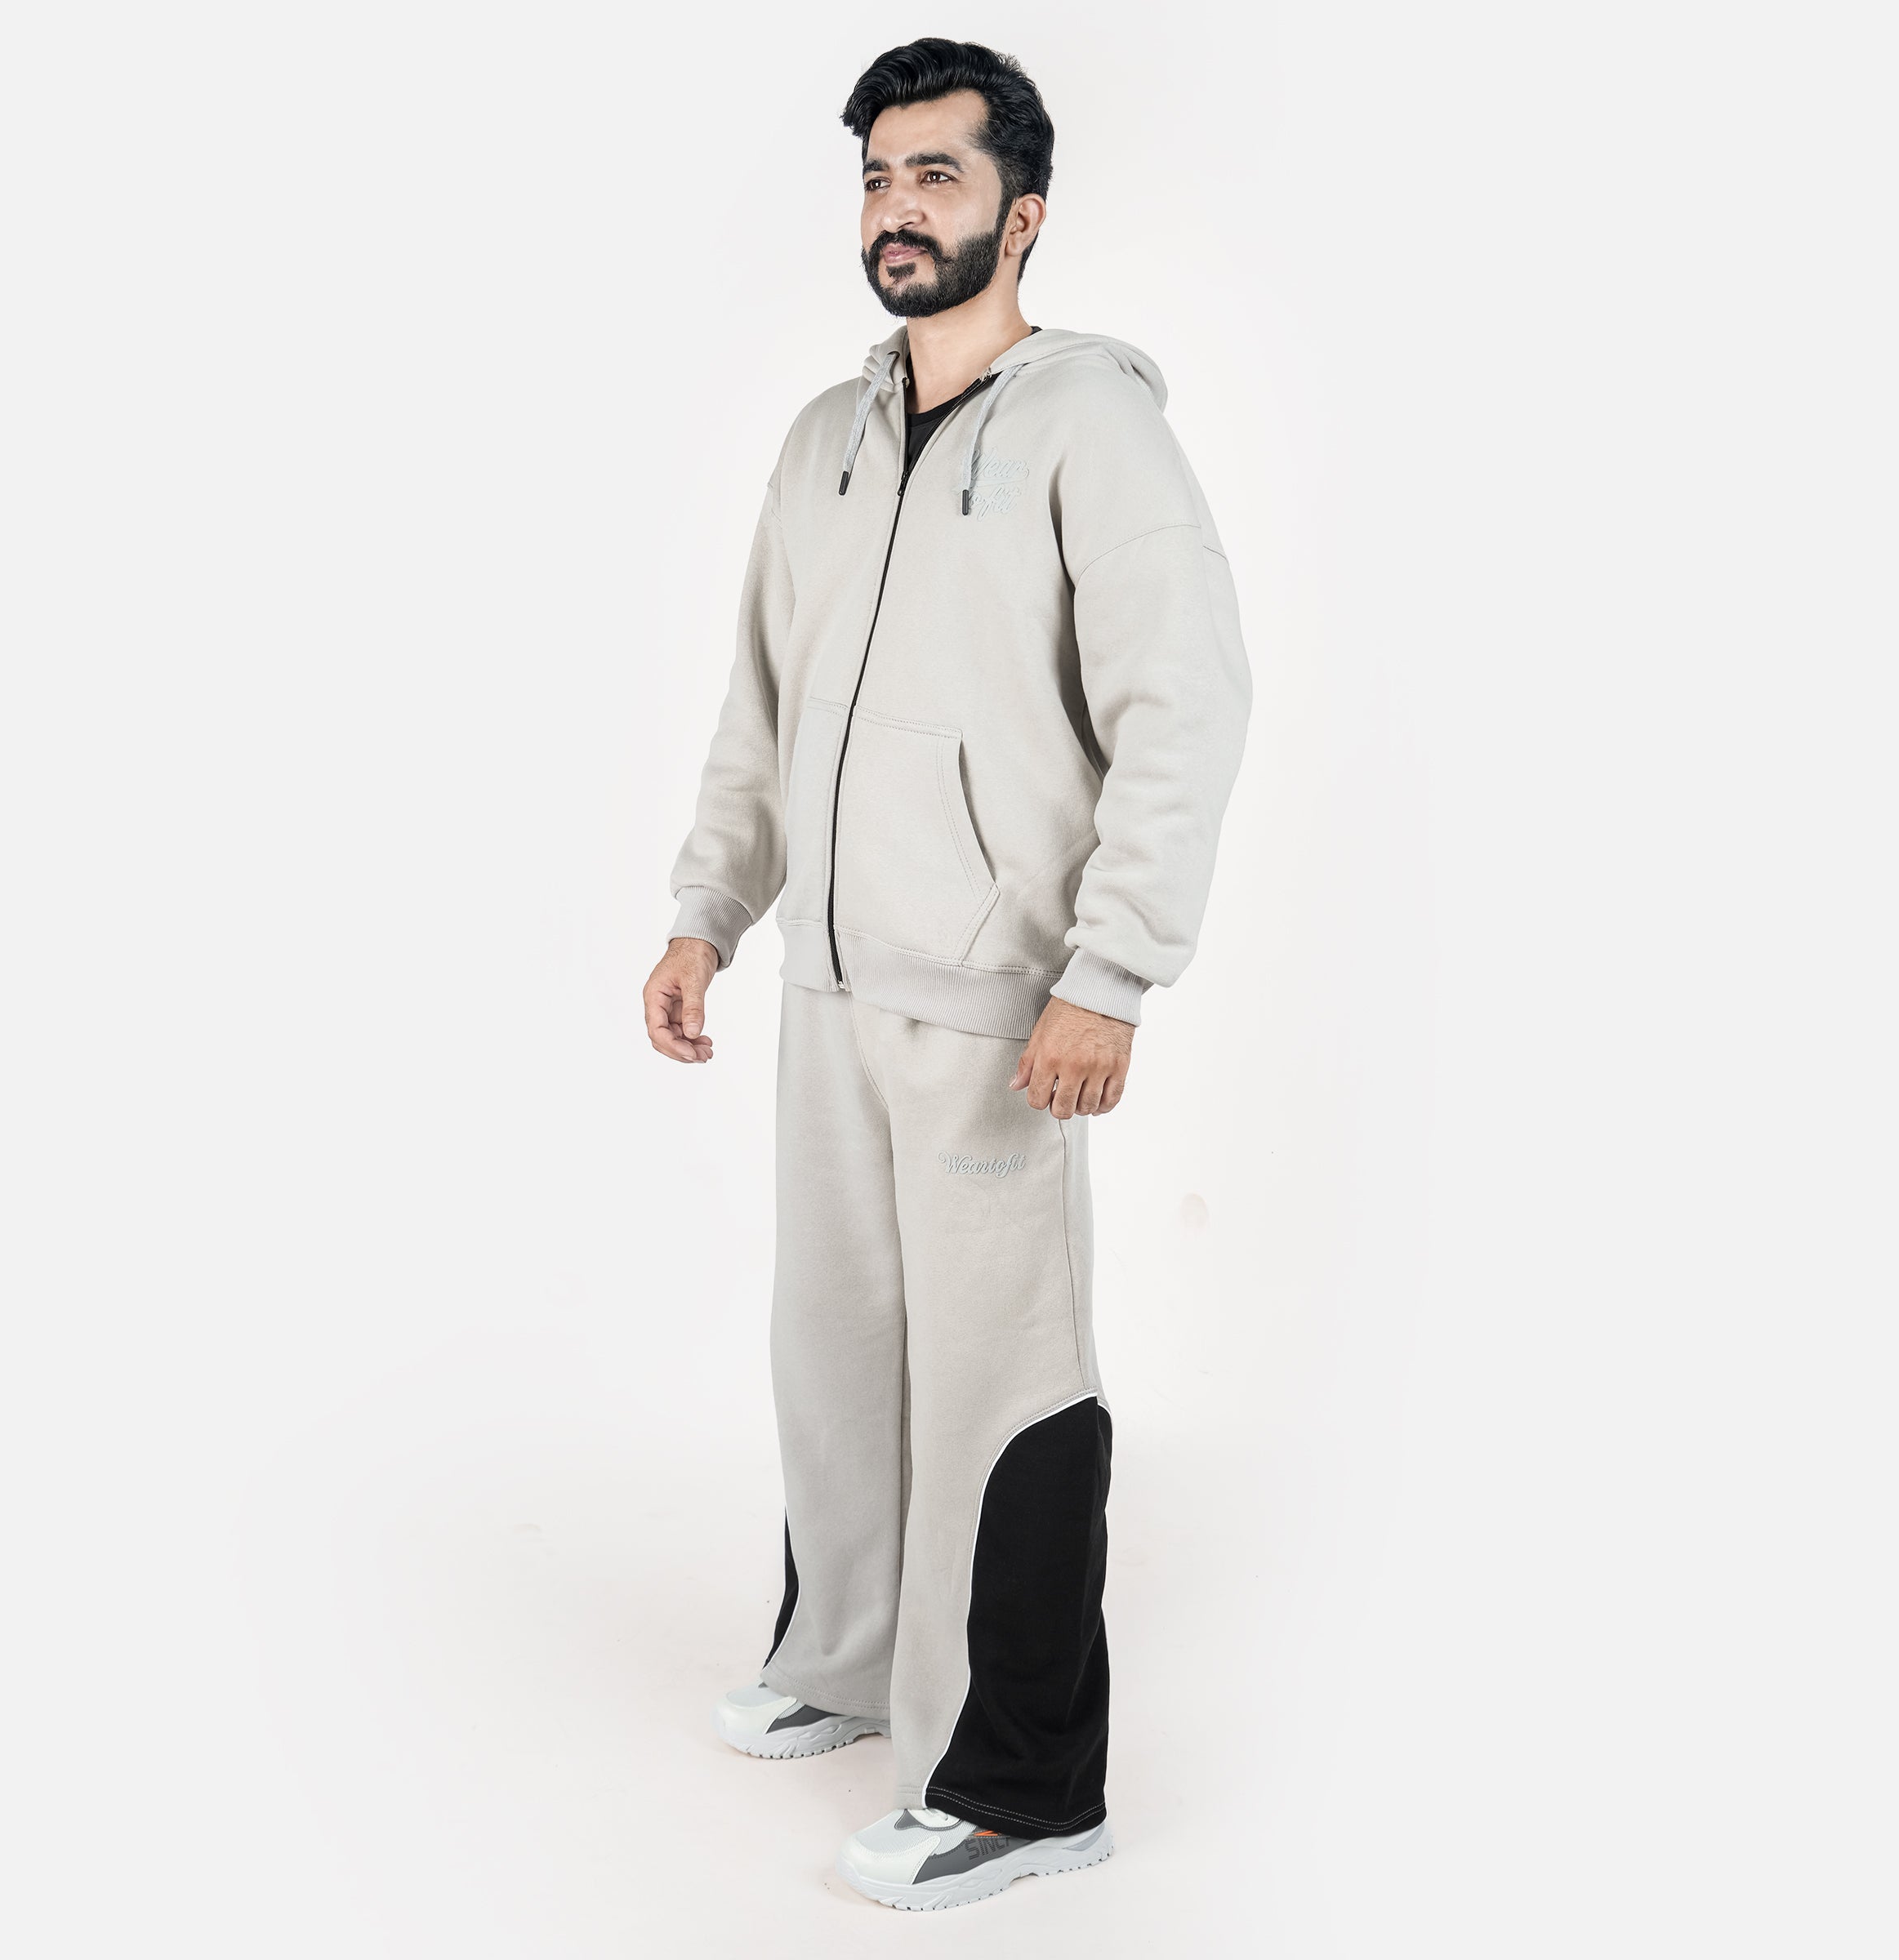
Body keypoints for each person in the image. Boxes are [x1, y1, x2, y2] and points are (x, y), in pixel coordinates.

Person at [643, 37, 1251, 1912]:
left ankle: (1021, 1786)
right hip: (831, 988)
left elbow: (1185, 708)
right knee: (833, 1356)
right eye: (879, 177)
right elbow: (762, 705)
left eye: (938, 176)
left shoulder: (1093, 434)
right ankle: (846, 1663)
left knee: (1005, 1388)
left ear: (1024, 211)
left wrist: (1111, 973)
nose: (899, 210)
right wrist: (708, 909)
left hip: (1000, 1004)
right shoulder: (820, 444)